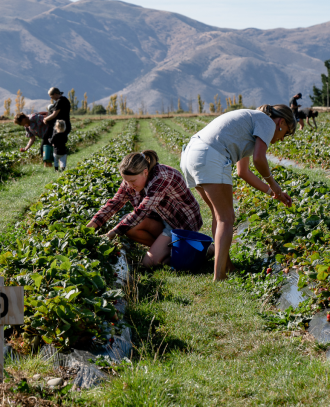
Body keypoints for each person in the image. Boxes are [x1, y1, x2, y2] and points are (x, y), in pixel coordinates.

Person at [180, 104, 297, 281]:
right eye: (286, 133)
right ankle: (219, 276)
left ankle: (226, 265)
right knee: (226, 218)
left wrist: (272, 192)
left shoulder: (251, 122)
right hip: (210, 155)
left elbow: (243, 172)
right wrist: (274, 184)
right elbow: (259, 159)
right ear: (281, 122)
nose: (281, 139)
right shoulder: (267, 122)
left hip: (192, 154)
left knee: (219, 216)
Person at [87, 150, 202, 268]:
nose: (129, 185)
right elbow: (114, 203)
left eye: (132, 181)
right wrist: (88, 229)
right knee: (127, 222)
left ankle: (198, 250)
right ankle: (171, 249)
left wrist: (110, 234)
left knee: (149, 263)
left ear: (145, 172)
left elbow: (142, 211)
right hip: (162, 218)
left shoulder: (161, 178)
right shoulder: (132, 179)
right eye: (126, 181)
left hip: (180, 224)